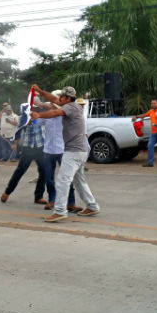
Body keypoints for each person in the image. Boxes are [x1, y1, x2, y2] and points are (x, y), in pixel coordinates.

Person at [30, 85, 100, 222]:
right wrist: (39, 91)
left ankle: (60, 210)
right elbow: (52, 98)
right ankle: (92, 206)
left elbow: (54, 113)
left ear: (67, 98)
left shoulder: (70, 107)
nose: (58, 99)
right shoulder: (72, 105)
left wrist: (39, 115)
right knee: (79, 181)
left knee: (63, 180)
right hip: (79, 151)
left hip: (73, 151)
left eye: (61, 96)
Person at [0, 118, 47, 204]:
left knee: (44, 171)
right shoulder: (24, 116)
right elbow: (18, 131)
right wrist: (15, 144)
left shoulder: (42, 114)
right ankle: (7, 192)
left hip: (40, 146)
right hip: (28, 147)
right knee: (20, 171)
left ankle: (39, 196)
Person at [132, 100, 157, 168]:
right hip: (153, 133)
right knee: (150, 146)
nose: (153, 104)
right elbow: (144, 115)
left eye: (154, 103)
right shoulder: (151, 111)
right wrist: (136, 117)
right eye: (152, 103)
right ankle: (150, 162)